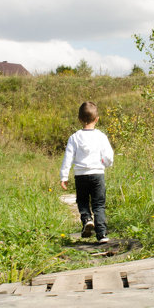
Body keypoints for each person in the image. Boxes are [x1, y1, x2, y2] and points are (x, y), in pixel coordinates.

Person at [60, 101, 115, 242]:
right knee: (98, 204)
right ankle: (101, 233)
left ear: (79, 119)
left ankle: (87, 220)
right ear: (97, 119)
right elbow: (108, 156)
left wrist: (64, 176)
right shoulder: (101, 136)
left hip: (81, 176)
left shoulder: (74, 137)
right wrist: (105, 163)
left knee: (82, 201)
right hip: (97, 174)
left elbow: (68, 158)